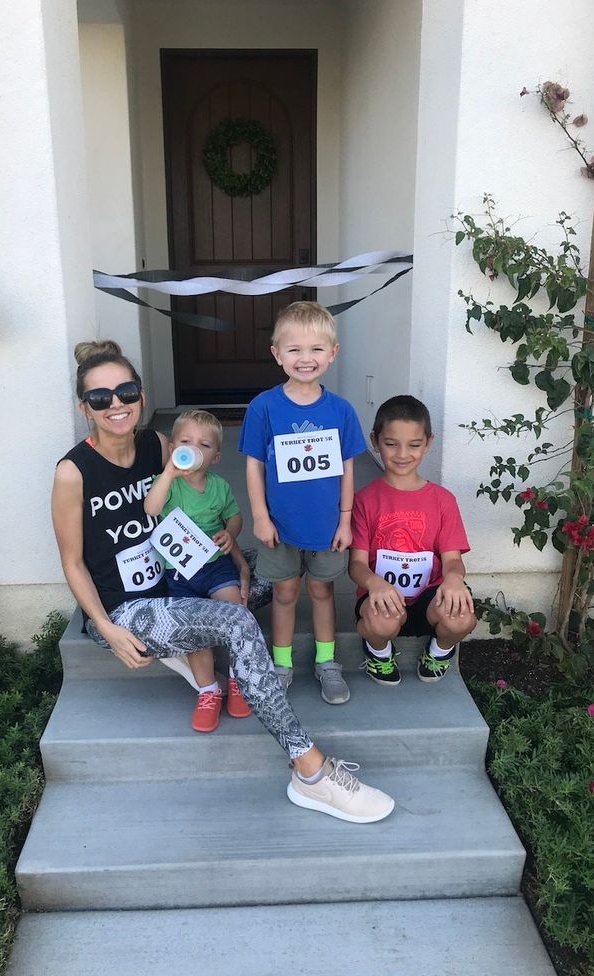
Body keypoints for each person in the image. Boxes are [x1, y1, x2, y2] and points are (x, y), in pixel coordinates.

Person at [51, 339, 394, 824]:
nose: (116, 405)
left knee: (274, 565)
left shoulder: (156, 445)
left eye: (125, 391)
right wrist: (103, 626)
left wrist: (236, 535)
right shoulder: (73, 471)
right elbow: (72, 563)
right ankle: (310, 770)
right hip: (132, 608)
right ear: (84, 407)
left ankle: (205, 648)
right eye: (100, 397)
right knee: (236, 621)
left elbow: (199, 495)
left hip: (179, 577)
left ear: (141, 396)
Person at [239, 301, 367, 705]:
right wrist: (260, 516)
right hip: (279, 525)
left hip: (327, 526)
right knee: (284, 593)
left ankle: (327, 662)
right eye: (294, 349)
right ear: (277, 354)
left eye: (316, 349)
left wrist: (346, 520)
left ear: (333, 353)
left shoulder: (341, 411)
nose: (305, 358)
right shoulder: (264, 407)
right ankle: (281, 664)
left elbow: (348, 469)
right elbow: (254, 465)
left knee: (323, 590)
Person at [349, 395, 477, 685]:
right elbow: (356, 565)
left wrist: (454, 579)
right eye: (391, 443)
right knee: (381, 623)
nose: (402, 454)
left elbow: (453, 559)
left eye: (414, 445)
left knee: (462, 617)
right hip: (382, 598)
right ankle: (377, 651)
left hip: (429, 597)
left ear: (428, 443)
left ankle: (439, 651)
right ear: (375, 441)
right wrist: (373, 583)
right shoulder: (364, 500)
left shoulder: (442, 500)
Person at [144, 409, 252, 732]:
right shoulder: (169, 485)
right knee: (193, 633)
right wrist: (167, 474)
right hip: (179, 572)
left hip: (215, 565)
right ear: (174, 447)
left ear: (216, 456)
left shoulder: (219, 487)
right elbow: (150, 508)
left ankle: (236, 679)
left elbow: (234, 517)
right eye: (186, 442)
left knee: (234, 612)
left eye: (204, 445)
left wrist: (230, 533)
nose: (194, 449)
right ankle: (208, 691)